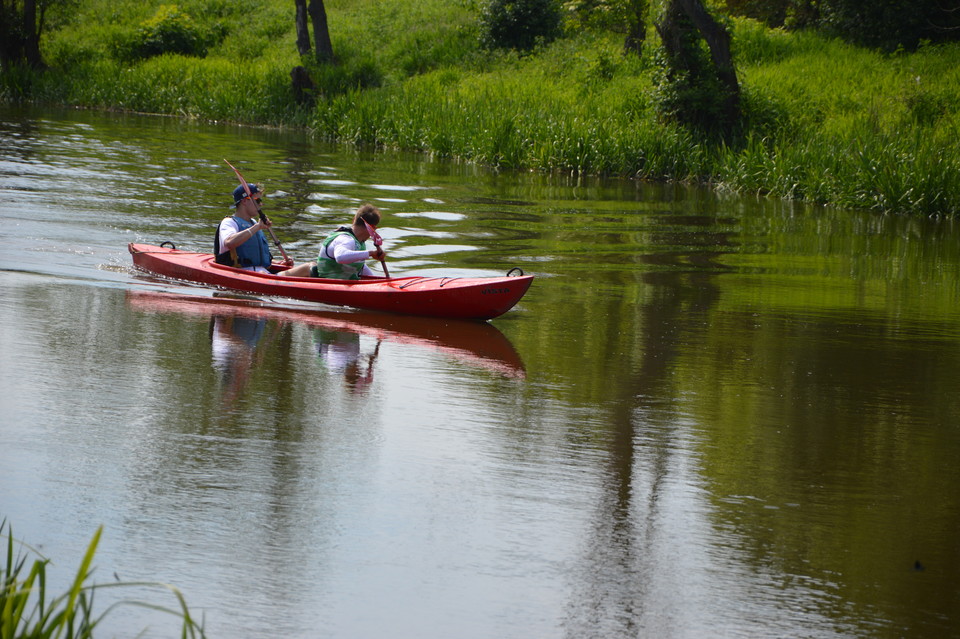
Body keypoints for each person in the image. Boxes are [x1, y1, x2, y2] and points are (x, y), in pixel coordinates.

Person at [281, 203, 386, 279]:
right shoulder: (346, 239)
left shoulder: (359, 243)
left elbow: (360, 265)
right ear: (372, 228)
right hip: (326, 283)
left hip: (341, 283)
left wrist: (377, 281)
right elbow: (340, 257)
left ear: (354, 219)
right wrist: (371, 253)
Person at [215, 183, 293, 273]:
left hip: (261, 273)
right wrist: (257, 227)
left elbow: (255, 255)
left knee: (310, 267)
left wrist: (278, 263)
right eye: (257, 200)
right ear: (244, 201)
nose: (261, 204)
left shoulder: (254, 223)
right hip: (242, 273)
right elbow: (229, 243)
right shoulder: (229, 222)